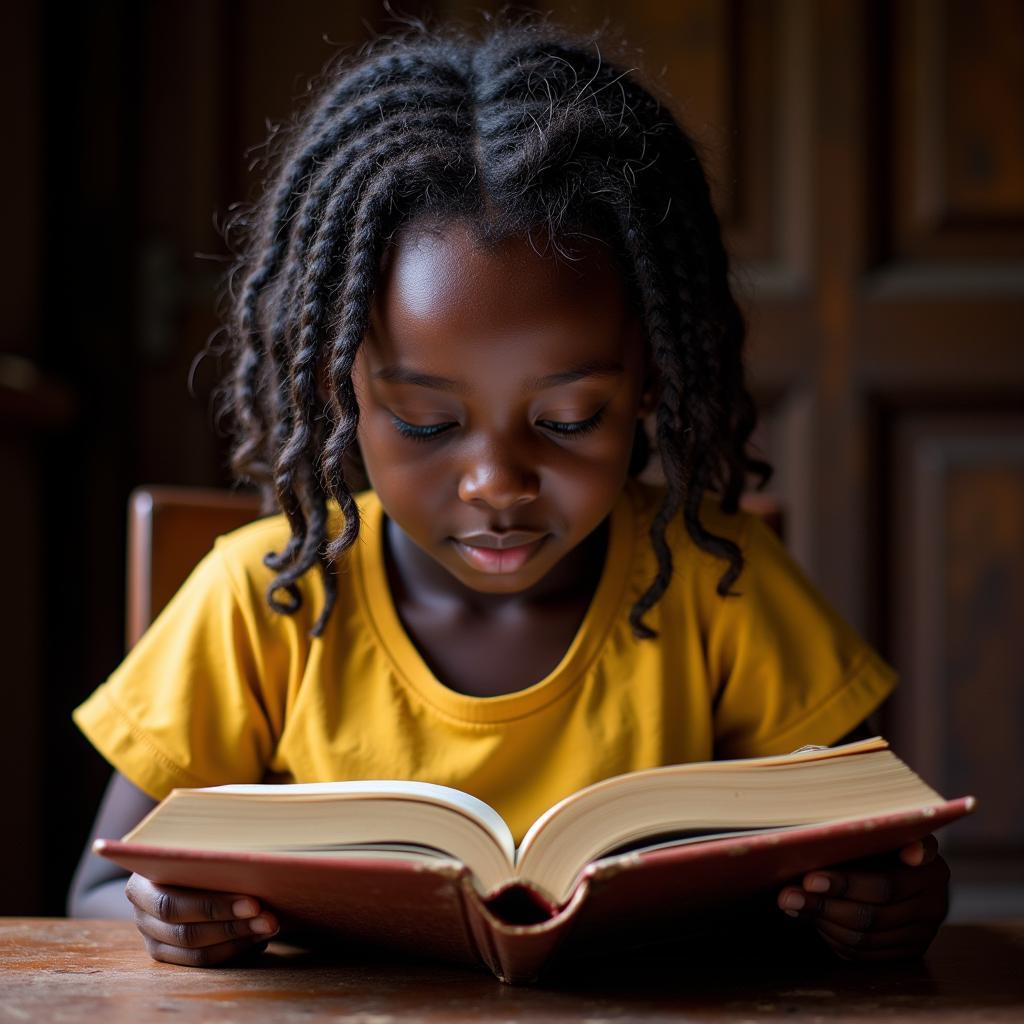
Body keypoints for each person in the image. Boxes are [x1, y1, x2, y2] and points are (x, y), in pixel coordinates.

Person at [67, 19, 950, 968]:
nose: (497, 484)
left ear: (649, 383)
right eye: (426, 422)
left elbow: (888, 851)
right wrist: (176, 914)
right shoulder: (261, 599)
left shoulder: (722, 586)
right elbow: (95, 893)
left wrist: (890, 901)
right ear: (341, 390)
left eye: (569, 419)